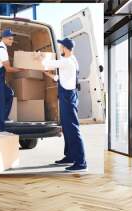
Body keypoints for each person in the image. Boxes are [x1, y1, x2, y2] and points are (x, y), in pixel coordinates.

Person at [41, 38, 87, 172]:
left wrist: (40, 57)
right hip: (68, 94)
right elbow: (64, 78)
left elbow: (46, 64)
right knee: (66, 128)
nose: (59, 48)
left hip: (68, 97)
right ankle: (70, 156)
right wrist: (50, 76)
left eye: (61, 46)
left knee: (72, 128)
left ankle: (81, 162)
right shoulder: (72, 60)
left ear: (65, 48)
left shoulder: (66, 61)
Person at [0, 28, 24, 132]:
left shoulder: (0, 46)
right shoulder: (2, 50)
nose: (11, 41)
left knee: (9, 94)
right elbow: (8, 69)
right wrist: (20, 69)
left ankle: (3, 118)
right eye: (9, 39)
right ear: (3, 38)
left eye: (12, 39)